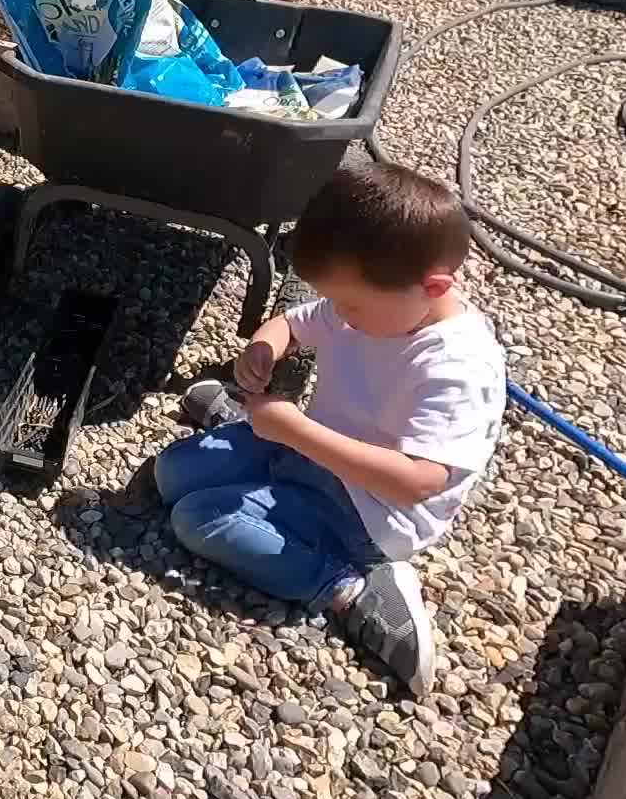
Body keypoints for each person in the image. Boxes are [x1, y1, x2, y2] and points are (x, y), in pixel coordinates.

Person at [153, 161, 506, 697]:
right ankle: (255, 425)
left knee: (195, 518)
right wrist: (264, 348)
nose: (339, 315)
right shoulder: (372, 302)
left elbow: (418, 482)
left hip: (366, 511)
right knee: (171, 472)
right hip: (310, 447)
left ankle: (348, 588)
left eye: (350, 304)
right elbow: (294, 323)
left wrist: (292, 431)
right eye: (336, 300)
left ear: (432, 287)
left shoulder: (455, 368)